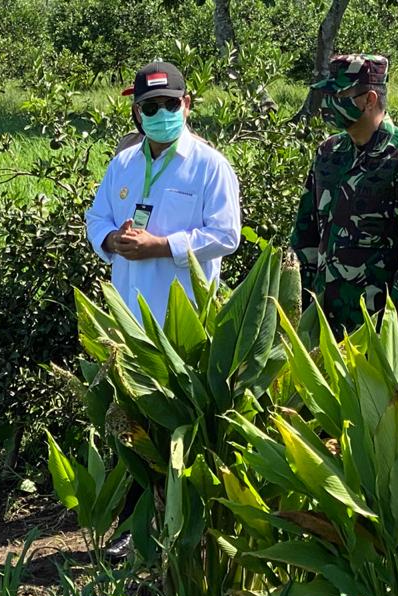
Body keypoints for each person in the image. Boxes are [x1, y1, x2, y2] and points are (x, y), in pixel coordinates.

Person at [85, 60, 241, 558]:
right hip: (129, 320)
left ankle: (187, 526)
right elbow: (97, 215)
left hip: (183, 322)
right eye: (149, 107)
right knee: (132, 425)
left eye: (169, 104)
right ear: (136, 111)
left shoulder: (210, 166)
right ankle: (137, 524)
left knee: (178, 426)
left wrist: (161, 245)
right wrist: (110, 238)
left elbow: (225, 236)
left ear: (186, 105)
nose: (160, 114)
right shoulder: (124, 164)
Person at [290, 54, 398, 334]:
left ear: (369, 99)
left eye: (339, 94)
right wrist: (298, 307)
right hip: (322, 321)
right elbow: (305, 236)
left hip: (374, 326)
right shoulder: (328, 154)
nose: (328, 104)